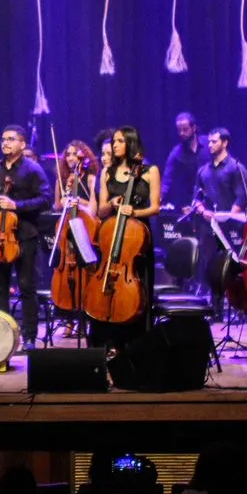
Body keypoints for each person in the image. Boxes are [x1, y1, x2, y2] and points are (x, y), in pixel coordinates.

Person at [0, 124, 52, 349]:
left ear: (22, 143)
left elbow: (45, 199)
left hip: (24, 235)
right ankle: (2, 334)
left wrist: (16, 205)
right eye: (3, 139)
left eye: (11, 139)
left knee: (26, 286)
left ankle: (29, 337)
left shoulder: (33, 169)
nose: (5, 143)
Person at [91, 126, 162, 346]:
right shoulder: (107, 172)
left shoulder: (150, 171)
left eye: (120, 141)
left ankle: (135, 345)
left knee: (137, 291)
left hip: (137, 240)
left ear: (131, 143)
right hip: (112, 236)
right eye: (114, 141)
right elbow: (100, 210)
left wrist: (135, 212)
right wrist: (112, 203)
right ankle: (105, 341)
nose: (114, 145)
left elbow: (156, 207)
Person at [190, 127, 247, 308]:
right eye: (208, 142)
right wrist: (202, 211)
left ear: (225, 143)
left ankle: (238, 305)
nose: (210, 145)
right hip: (208, 226)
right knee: (210, 265)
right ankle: (215, 306)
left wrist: (227, 218)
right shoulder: (203, 171)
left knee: (231, 266)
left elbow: (242, 197)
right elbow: (196, 198)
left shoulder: (236, 168)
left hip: (230, 227)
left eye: (214, 141)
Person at [160, 112, 204, 208]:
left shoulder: (208, 144)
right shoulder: (176, 153)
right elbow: (166, 180)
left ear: (194, 128)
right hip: (189, 201)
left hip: (212, 198)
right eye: (179, 130)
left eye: (185, 130)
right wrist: (158, 200)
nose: (181, 133)